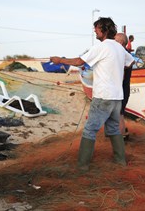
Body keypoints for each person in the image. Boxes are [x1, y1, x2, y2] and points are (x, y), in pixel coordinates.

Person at [50, 17, 134, 171]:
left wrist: (59, 60)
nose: (95, 30)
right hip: (117, 97)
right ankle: (120, 161)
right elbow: (131, 62)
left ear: (105, 30)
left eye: (97, 28)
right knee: (114, 129)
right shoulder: (119, 48)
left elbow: (78, 62)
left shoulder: (101, 47)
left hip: (103, 96)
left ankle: (82, 166)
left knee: (90, 129)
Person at [115, 33, 133, 139]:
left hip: (121, 88)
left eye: (115, 40)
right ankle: (121, 133)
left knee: (119, 113)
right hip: (122, 88)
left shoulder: (123, 54)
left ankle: (121, 136)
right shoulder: (125, 54)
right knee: (118, 112)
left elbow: (122, 75)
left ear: (121, 42)